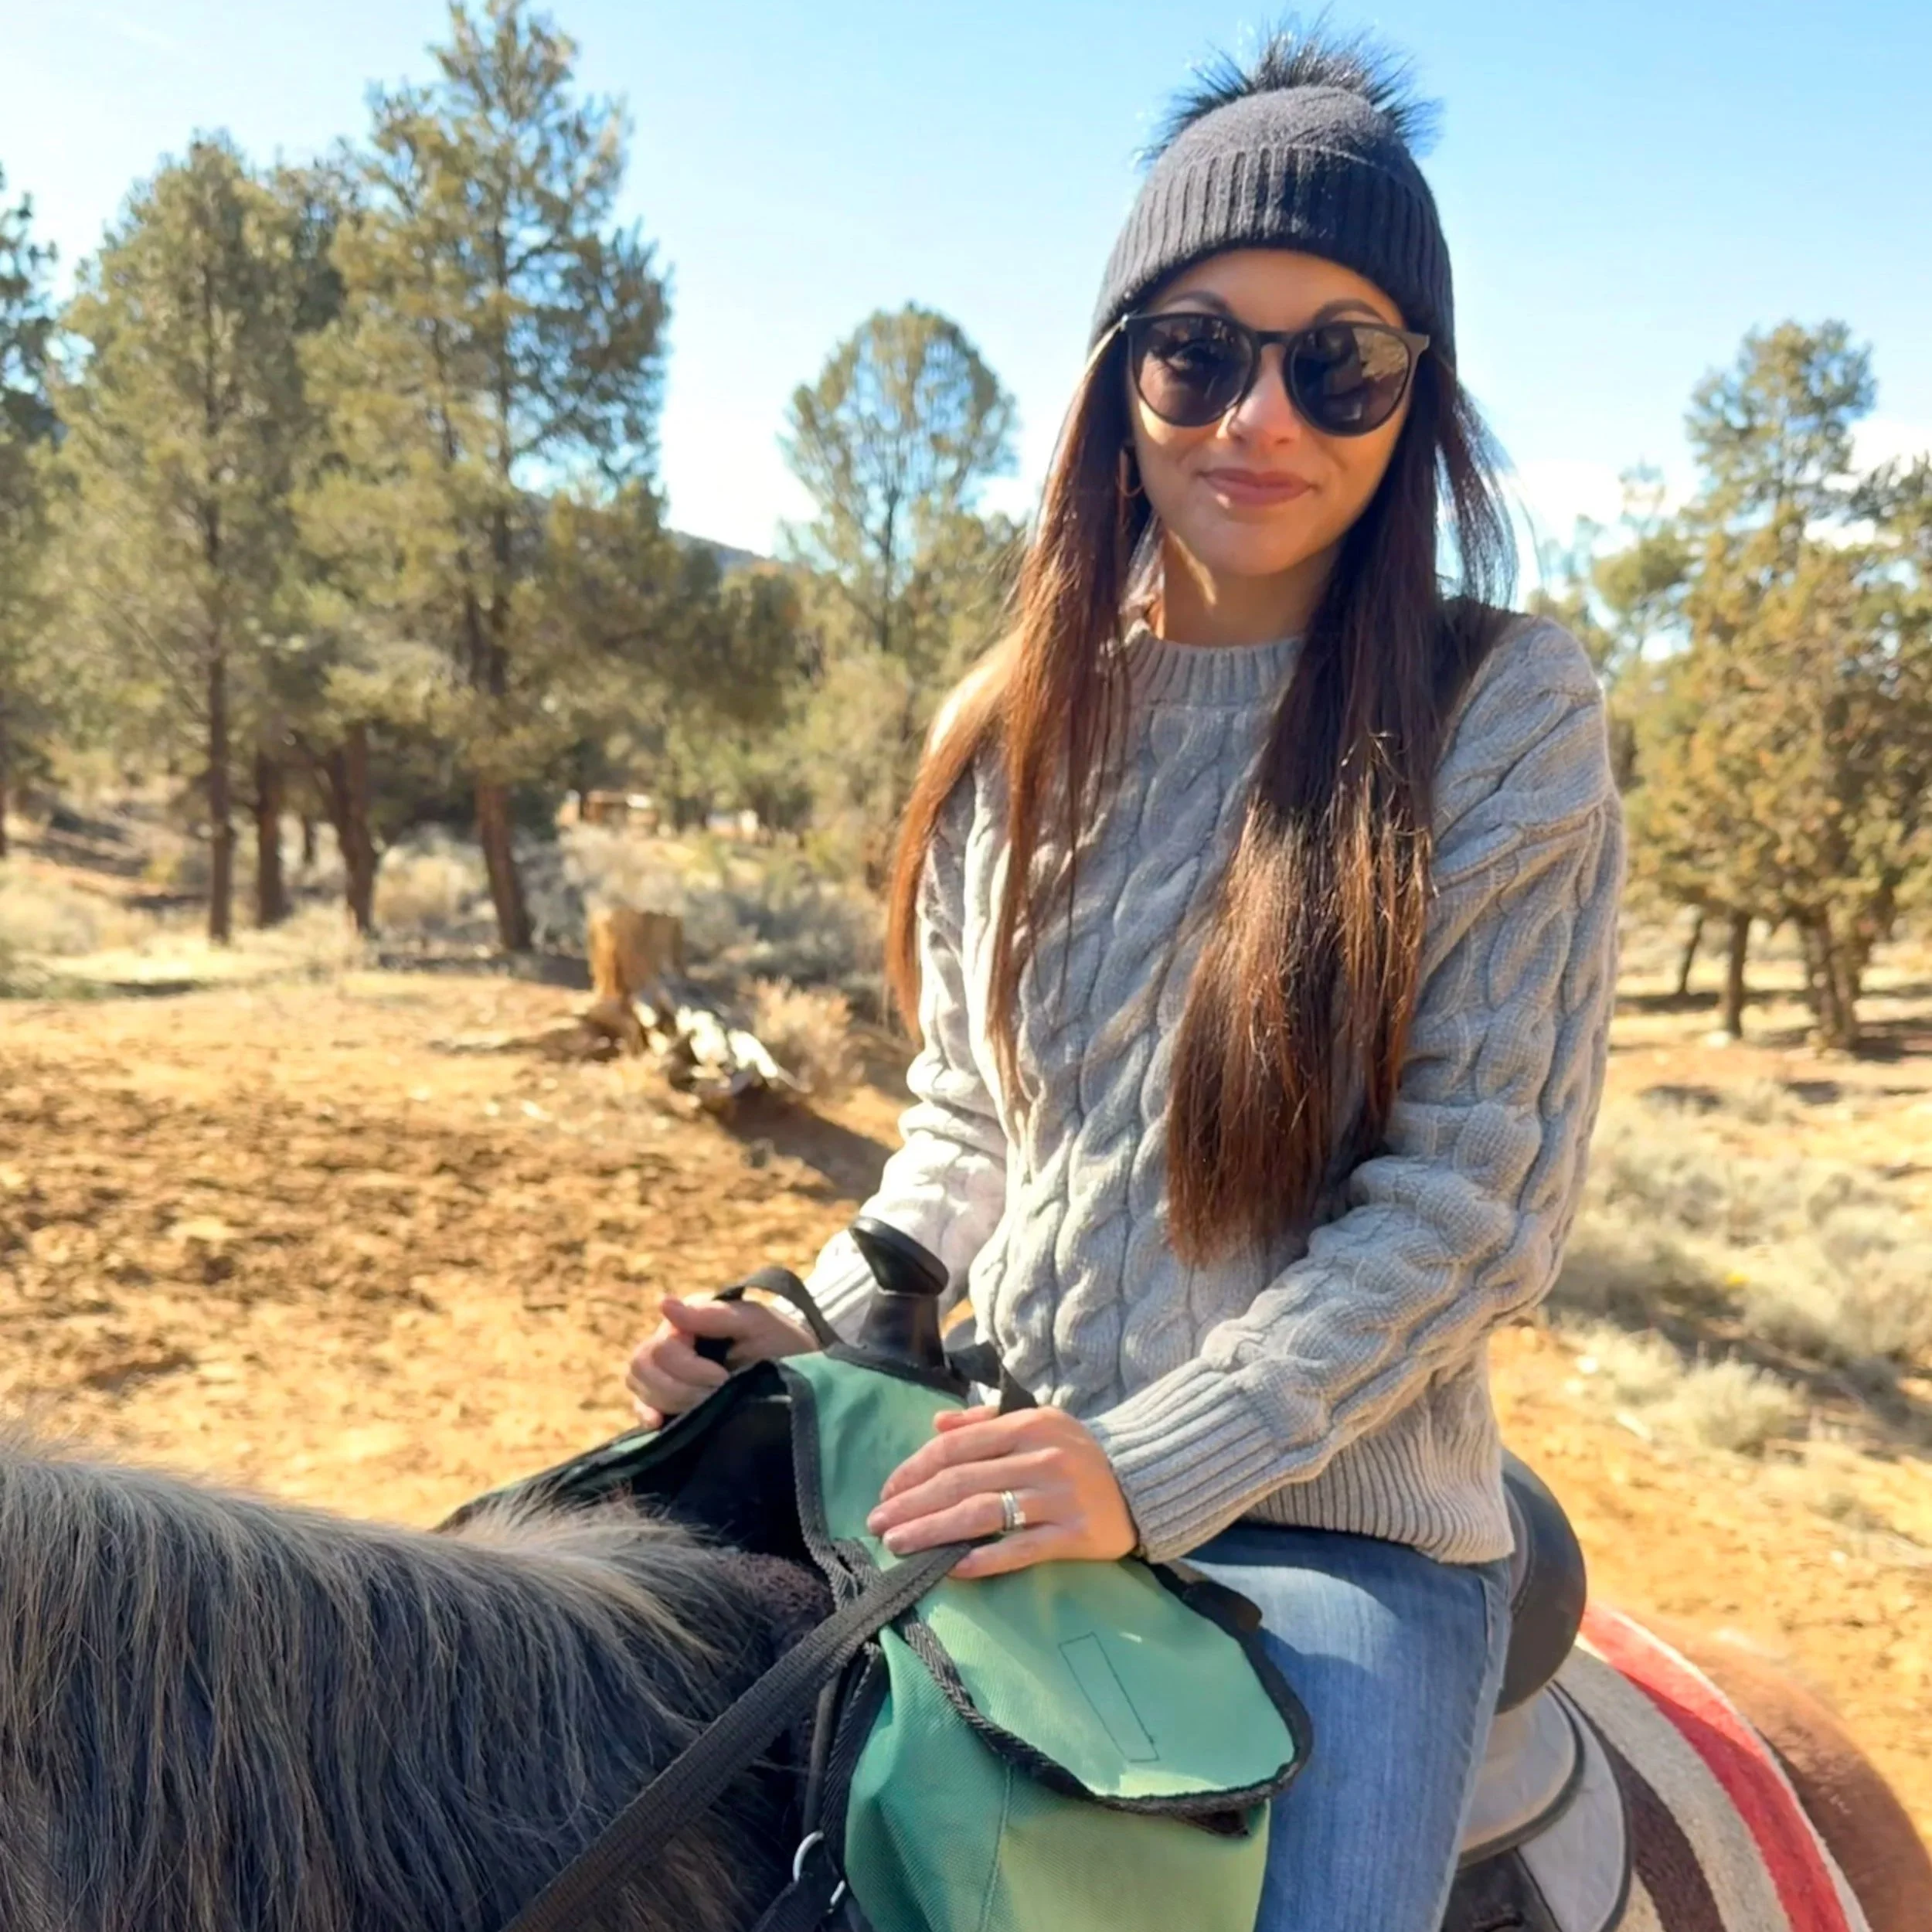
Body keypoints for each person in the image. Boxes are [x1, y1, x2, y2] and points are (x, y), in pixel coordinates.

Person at [624, 23, 1624, 1932]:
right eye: (1197, 349)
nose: (1261, 414)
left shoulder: (1504, 709)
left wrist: (1143, 1466)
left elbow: (1469, 1209)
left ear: (1414, 400)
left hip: (1336, 1528)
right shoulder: (1005, 726)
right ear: (1118, 377)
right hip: (988, 1450)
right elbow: (969, 1123)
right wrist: (808, 1314)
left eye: (1338, 360)